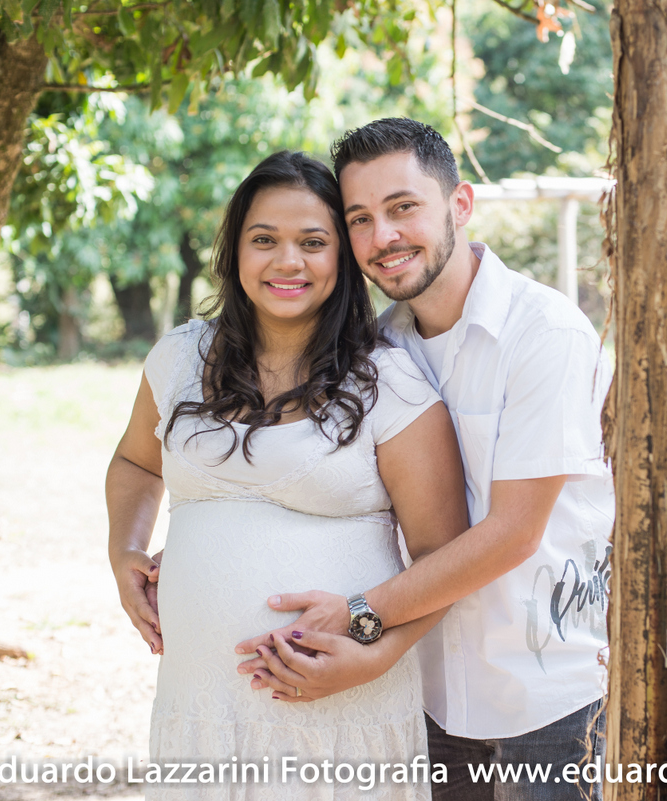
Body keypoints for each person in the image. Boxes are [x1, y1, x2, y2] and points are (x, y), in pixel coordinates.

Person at [237, 120, 615, 801]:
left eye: (403, 207)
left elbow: (512, 533)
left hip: (550, 695)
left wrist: (359, 614)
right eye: (360, 218)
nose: (383, 237)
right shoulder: (375, 350)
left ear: (460, 205)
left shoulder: (543, 333)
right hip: (432, 692)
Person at [107, 150, 469, 800]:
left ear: (343, 257)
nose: (287, 262)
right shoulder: (178, 357)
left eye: (313, 242)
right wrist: (125, 549)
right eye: (264, 239)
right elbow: (135, 462)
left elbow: (446, 558)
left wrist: (374, 647)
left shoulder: (390, 381)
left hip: (342, 719)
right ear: (235, 249)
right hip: (202, 716)